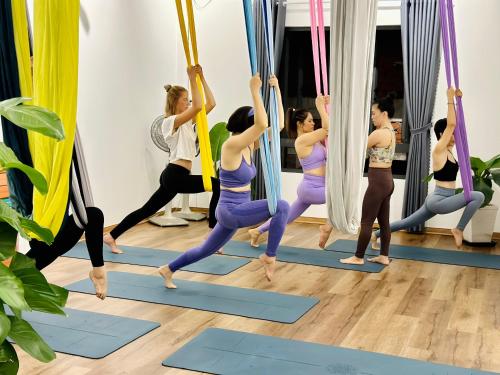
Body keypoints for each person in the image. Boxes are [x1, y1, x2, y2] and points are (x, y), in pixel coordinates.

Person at [158, 74, 290, 288]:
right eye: (255, 123)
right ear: (249, 125)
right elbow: (263, 122)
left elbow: (279, 125)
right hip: (231, 210)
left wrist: (276, 91)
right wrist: (255, 91)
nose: (261, 127)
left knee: (206, 250)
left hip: (236, 210)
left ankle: (168, 269)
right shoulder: (233, 145)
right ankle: (270, 256)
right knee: (282, 206)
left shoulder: (250, 144)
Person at [104, 65, 220, 253]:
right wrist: (191, 78)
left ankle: (111, 236)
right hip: (175, 175)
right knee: (217, 185)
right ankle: (213, 235)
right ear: (175, 102)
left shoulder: (187, 123)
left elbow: (210, 104)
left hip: (176, 175)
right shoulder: (170, 122)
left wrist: (202, 78)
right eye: (185, 100)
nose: (189, 103)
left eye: (189, 100)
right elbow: (199, 106)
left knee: (146, 210)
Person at [371, 88, 484, 249]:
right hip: (439, 201)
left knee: (406, 222)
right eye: (452, 133)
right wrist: (450, 99)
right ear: (442, 133)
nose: (455, 135)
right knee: (477, 196)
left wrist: (458, 103)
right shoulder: (439, 150)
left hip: (439, 198)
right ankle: (458, 229)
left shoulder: (451, 153)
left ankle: (375, 235)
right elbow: (452, 124)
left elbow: (454, 124)